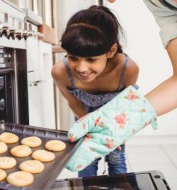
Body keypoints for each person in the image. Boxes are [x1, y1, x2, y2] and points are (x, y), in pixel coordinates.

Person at [51, 5, 139, 177]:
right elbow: (73, 102)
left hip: (115, 120)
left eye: (91, 59)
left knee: (116, 158)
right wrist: (88, 129)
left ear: (111, 51)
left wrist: (118, 133)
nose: (81, 68)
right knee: (85, 160)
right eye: (73, 57)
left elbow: (126, 104)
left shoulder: (127, 69)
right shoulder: (60, 72)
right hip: (84, 117)